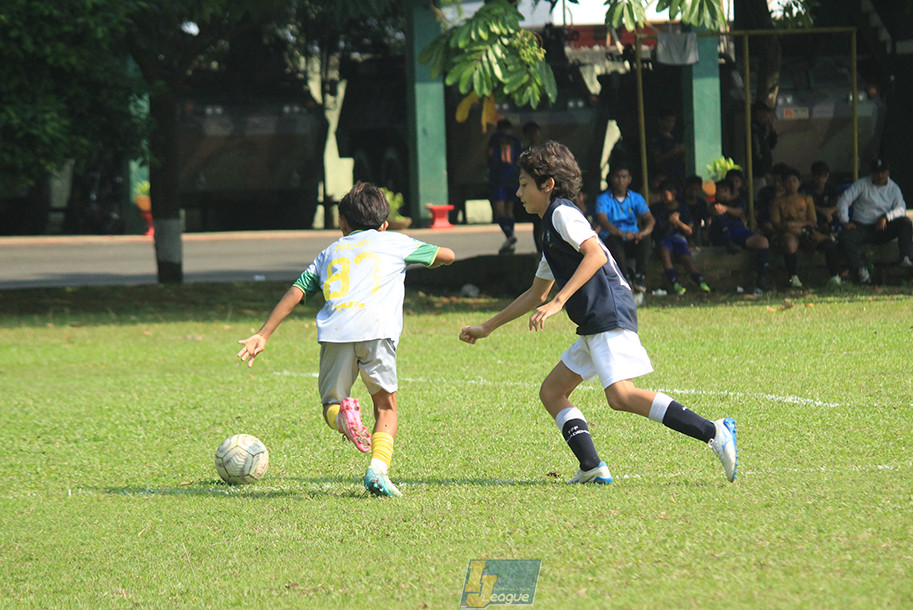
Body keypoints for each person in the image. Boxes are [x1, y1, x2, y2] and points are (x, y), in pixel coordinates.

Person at [458, 140, 738, 484]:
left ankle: (714, 431)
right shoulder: (550, 229)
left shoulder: (562, 213)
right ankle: (591, 466)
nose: (518, 193)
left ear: (548, 185)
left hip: (608, 312)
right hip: (593, 322)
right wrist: (488, 326)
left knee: (620, 395)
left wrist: (559, 302)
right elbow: (535, 293)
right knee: (552, 392)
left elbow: (596, 256)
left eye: (524, 185)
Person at [236, 182, 455, 497]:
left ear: (342, 223)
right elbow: (448, 254)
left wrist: (263, 333)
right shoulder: (396, 242)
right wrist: (432, 257)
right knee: (385, 407)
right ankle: (378, 469)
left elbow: (297, 291)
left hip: (337, 332)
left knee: (331, 404)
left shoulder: (328, 253)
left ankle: (344, 419)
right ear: (383, 224)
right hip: (378, 332)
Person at [836, 158, 913, 284]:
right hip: (862, 226)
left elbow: (901, 208)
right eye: (877, 172)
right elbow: (844, 200)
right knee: (845, 237)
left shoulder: (894, 188)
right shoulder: (861, 184)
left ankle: (905, 258)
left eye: (883, 172)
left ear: (888, 172)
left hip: (882, 226)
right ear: (871, 173)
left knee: (905, 223)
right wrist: (845, 221)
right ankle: (860, 269)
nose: (880, 176)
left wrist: (886, 217)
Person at [770, 168, 841, 288]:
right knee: (790, 244)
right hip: (788, 232)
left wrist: (798, 226)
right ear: (783, 184)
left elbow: (813, 221)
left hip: (806, 230)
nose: (791, 184)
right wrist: (790, 228)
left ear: (799, 183)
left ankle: (835, 276)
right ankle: (793, 277)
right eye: (788, 181)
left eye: (794, 181)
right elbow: (776, 223)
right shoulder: (777, 201)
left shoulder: (807, 199)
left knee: (828, 242)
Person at [594, 164, 655, 302]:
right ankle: (625, 278)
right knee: (612, 240)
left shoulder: (636, 198)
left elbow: (649, 219)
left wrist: (643, 232)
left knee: (647, 240)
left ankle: (640, 277)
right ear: (611, 179)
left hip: (633, 238)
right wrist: (621, 233)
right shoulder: (603, 199)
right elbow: (603, 220)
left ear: (629, 179)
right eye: (617, 177)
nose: (620, 180)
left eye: (624, 177)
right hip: (615, 238)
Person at [708, 178, 772, 295]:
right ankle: (728, 243)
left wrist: (726, 209)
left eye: (719, 190)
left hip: (738, 231)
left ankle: (762, 278)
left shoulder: (739, 201)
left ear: (727, 190)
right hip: (720, 235)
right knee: (721, 219)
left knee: (762, 242)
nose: (716, 193)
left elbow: (740, 212)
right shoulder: (716, 204)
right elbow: (713, 211)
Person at [649, 179, 711, 295]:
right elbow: (656, 230)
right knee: (665, 253)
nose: (662, 198)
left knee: (686, 259)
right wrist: (668, 222)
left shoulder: (683, 208)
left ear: (673, 193)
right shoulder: (656, 209)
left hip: (679, 238)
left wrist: (678, 223)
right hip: (663, 239)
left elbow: (689, 230)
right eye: (661, 195)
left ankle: (700, 282)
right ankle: (674, 283)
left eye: (665, 195)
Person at [487, 119, 523, 254]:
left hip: (498, 177)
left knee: (499, 210)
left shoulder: (495, 138)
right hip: (513, 177)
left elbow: (489, 154)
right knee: (509, 210)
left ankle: (509, 235)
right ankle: (511, 237)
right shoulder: (515, 140)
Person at [521, 121, 546, 255]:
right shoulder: (524, 154)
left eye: (535, 133)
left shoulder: (543, 153)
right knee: (537, 224)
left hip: (542, 193)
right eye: (531, 133)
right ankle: (540, 251)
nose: (534, 136)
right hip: (532, 194)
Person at [648, 108, 686, 188]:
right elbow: (657, 159)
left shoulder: (675, 138)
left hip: (677, 175)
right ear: (660, 121)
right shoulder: (657, 138)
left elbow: (681, 160)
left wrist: (682, 153)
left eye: (673, 121)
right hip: (664, 176)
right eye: (668, 121)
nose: (670, 124)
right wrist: (673, 152)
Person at [750, 101, 778, 194]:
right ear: (759, 113)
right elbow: (757, 152)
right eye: (767, 113)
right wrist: (764, 171)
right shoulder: (754, 130)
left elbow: (771, 145)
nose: (768, 116)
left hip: (765, 172)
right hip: (758, 174)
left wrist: (772, 130)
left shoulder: (762, 129)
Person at [678, 174, 710, 245]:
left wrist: (706, 232)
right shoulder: (680, 202)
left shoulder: (702, 203)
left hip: (697, 230)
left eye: (696, 189)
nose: (693, 192)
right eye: (691, 188)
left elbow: (706, 219)